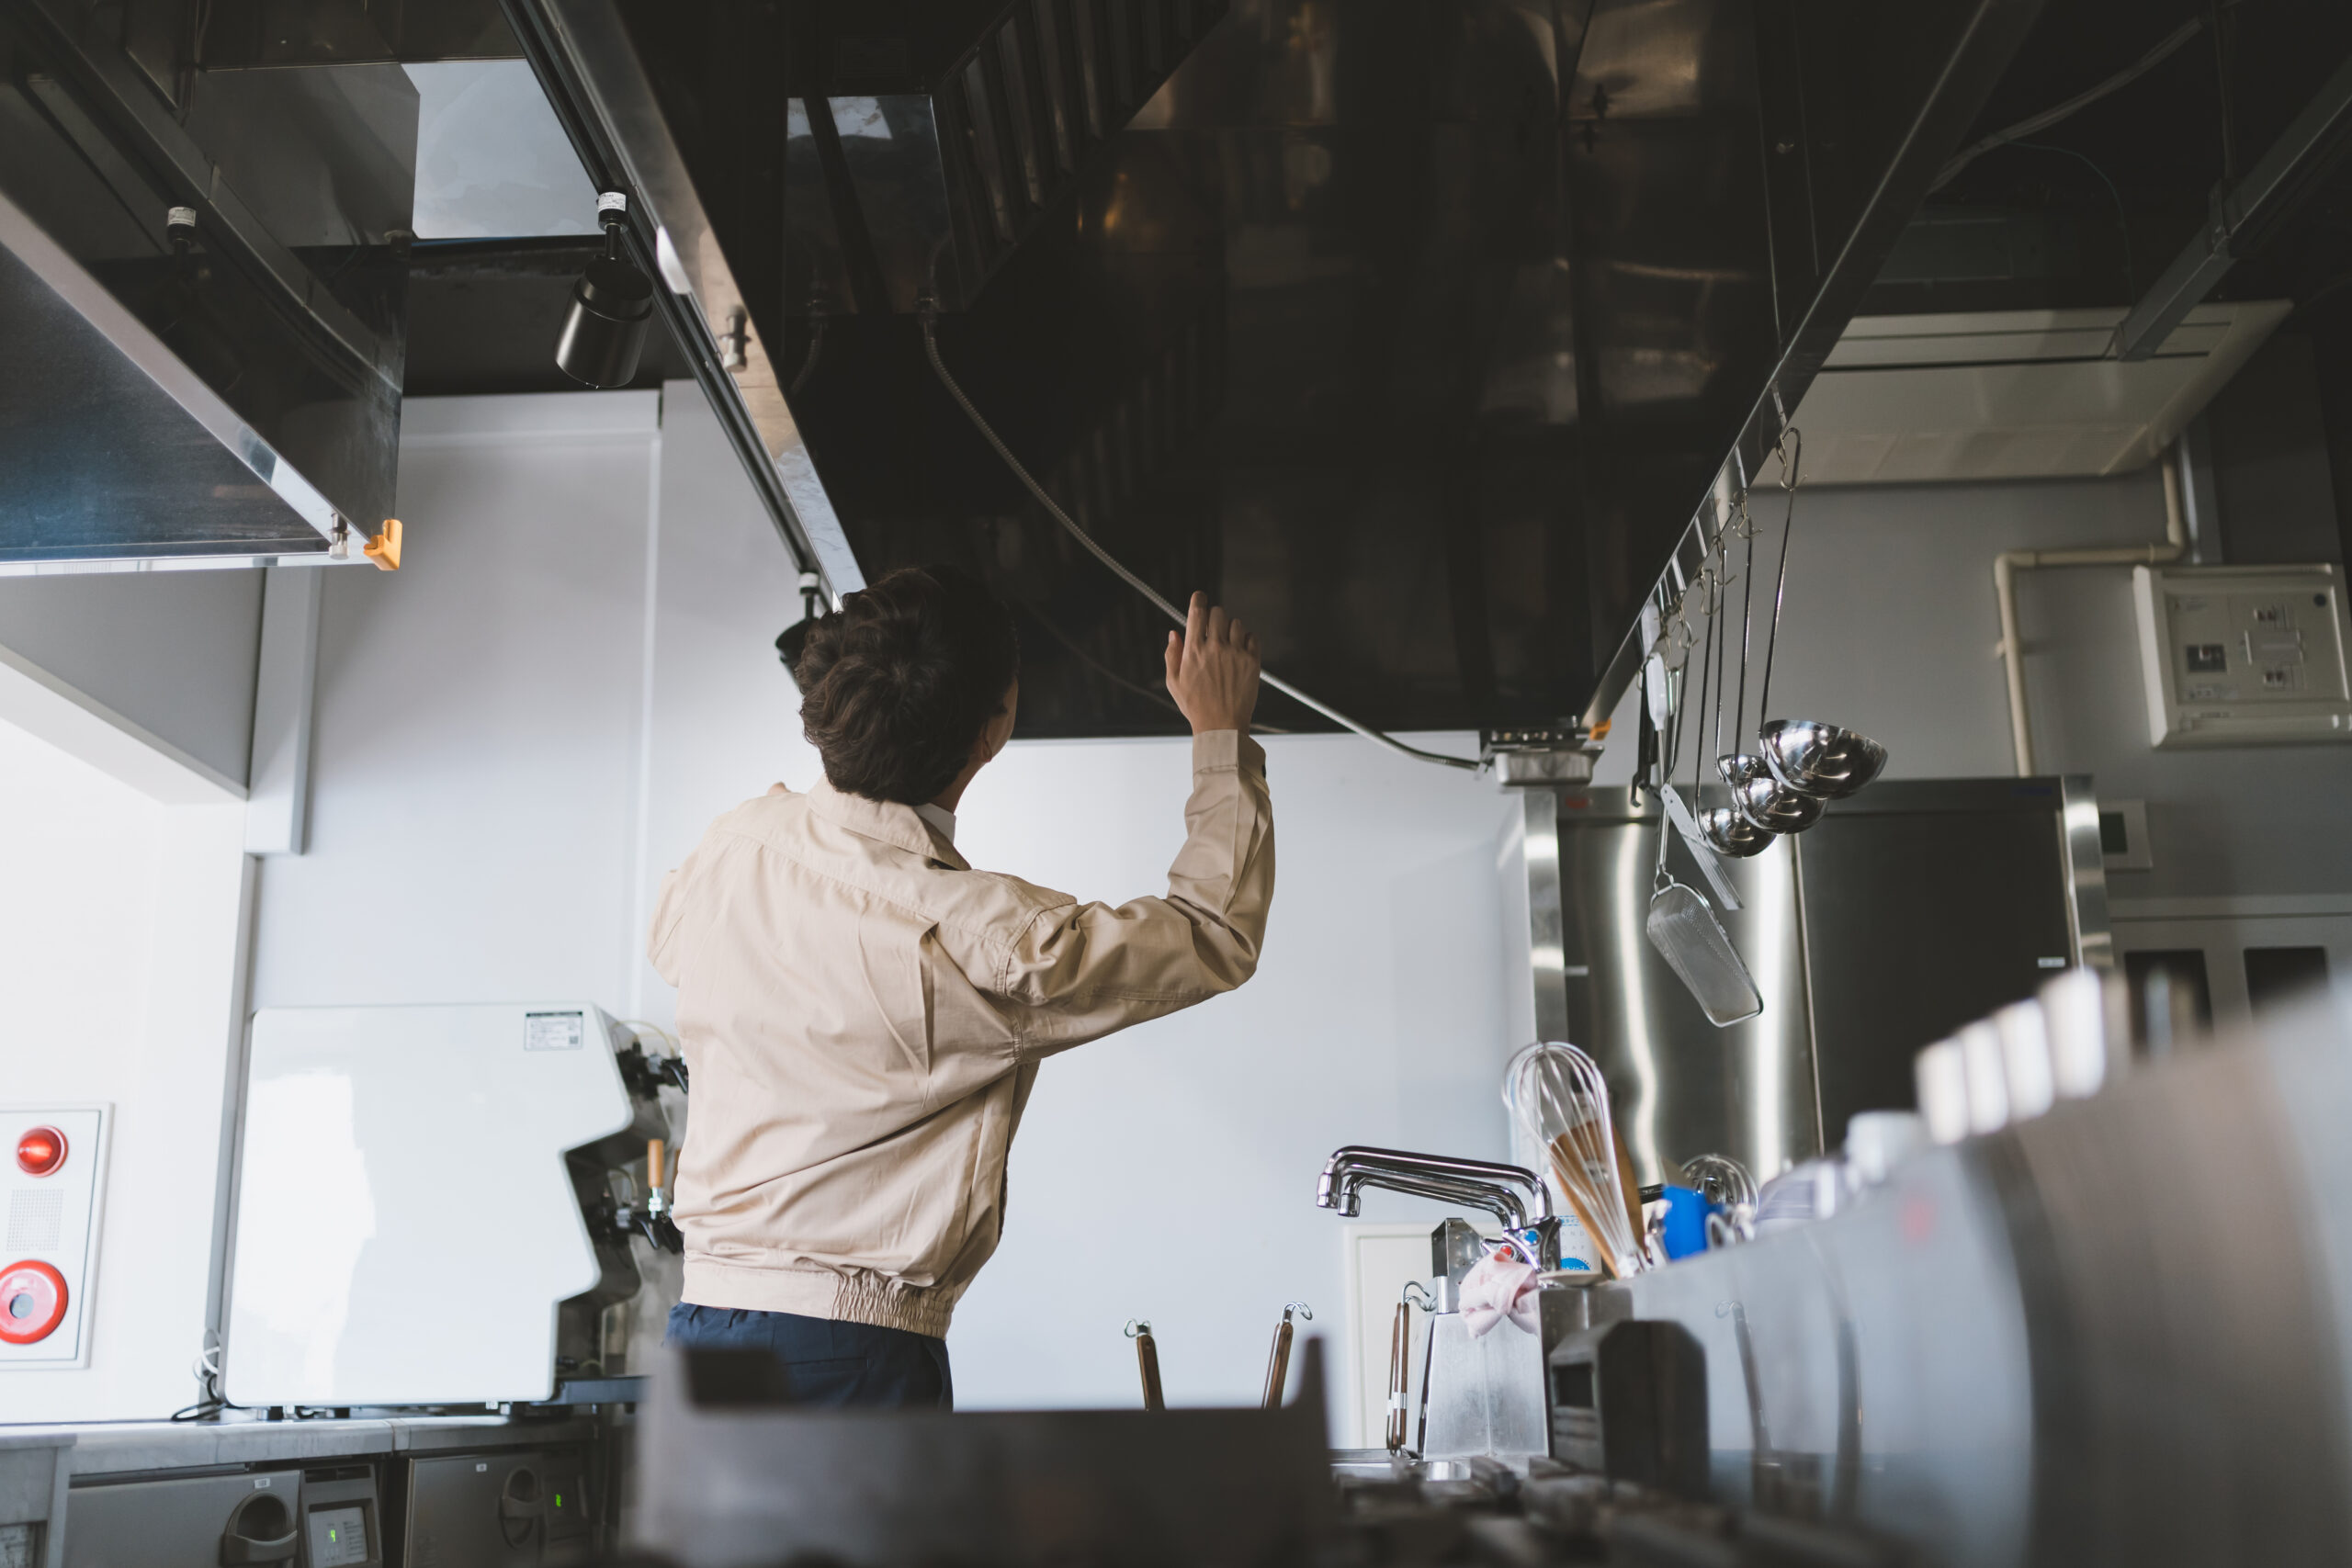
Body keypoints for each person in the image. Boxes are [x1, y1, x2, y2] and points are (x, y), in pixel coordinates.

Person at [648, 565, 1272, 1408]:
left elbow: (671, 942)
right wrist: (1220, 733)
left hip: (700, 1336)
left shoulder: (735, 846)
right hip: (845, 1354)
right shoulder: (987, 939)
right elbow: (1211, 933)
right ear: (996, 725)